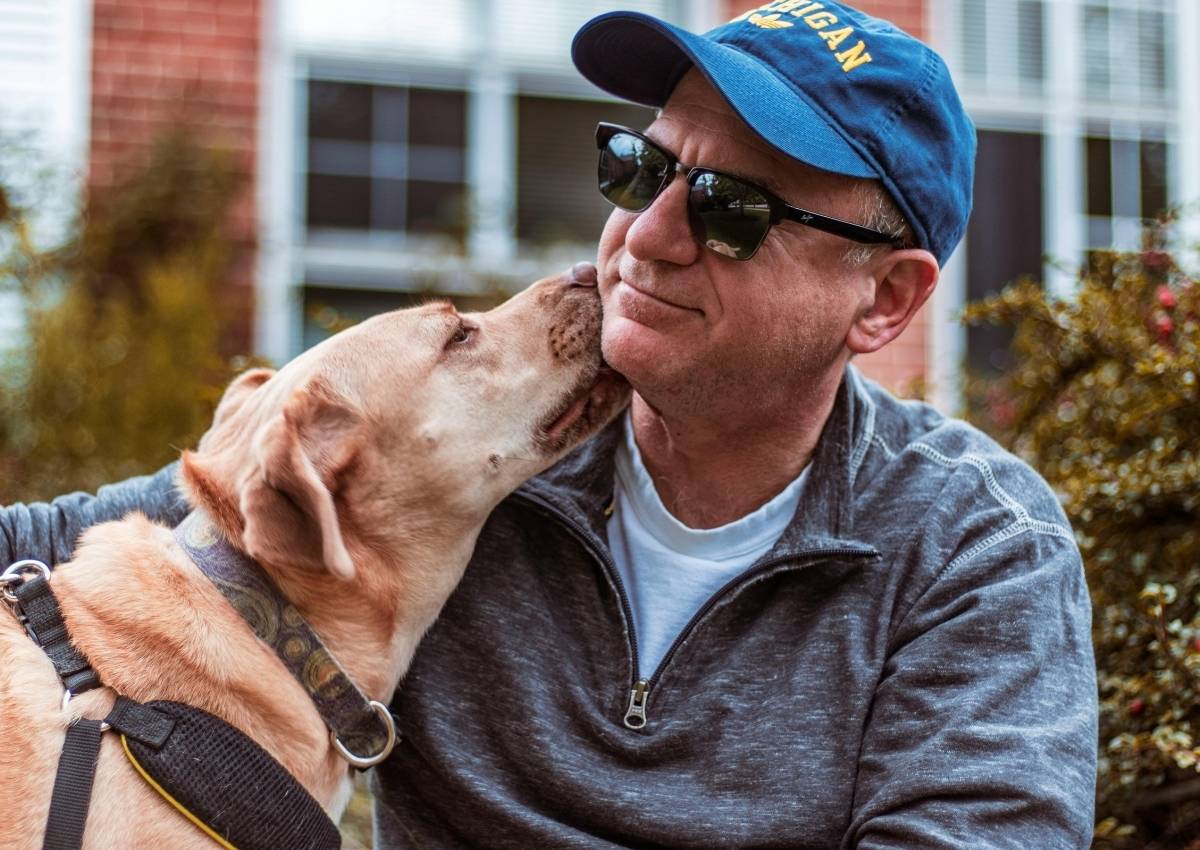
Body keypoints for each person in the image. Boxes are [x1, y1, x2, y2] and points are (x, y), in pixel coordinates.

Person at [2, 2, 1097, 847]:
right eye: (642, 168)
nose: (644, 236)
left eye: (731, 210)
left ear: (887, 300)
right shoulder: (461, 459)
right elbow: (97, 550)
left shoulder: (972, 549)